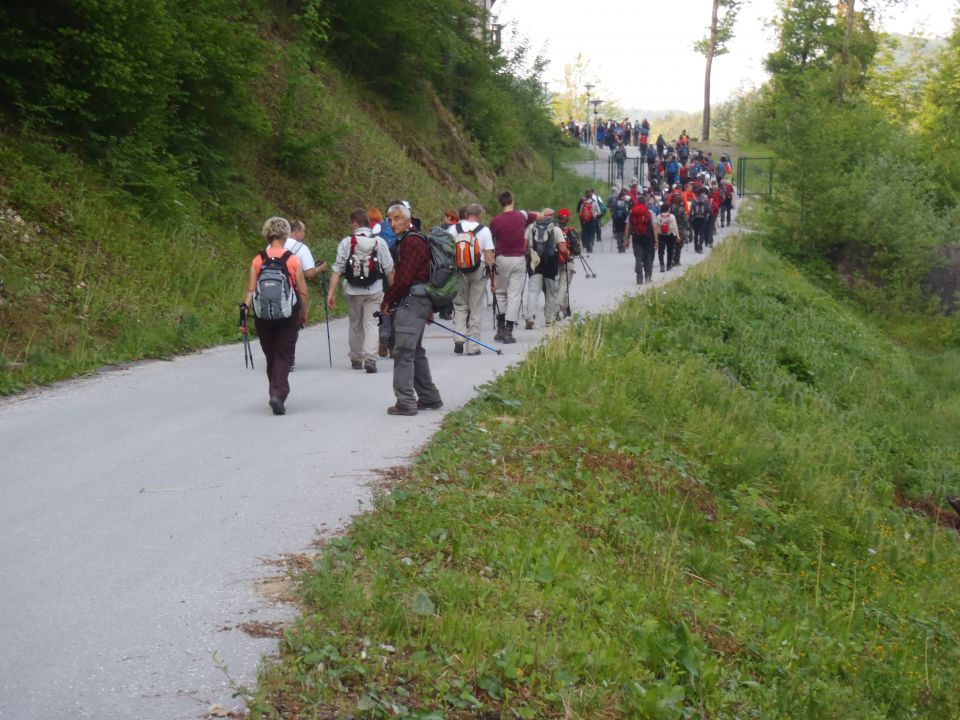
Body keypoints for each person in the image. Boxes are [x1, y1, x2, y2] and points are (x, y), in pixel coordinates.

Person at [380, 203, 443, 416]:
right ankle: (429, 397)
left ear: (408, 221)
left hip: (412, 302)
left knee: (404, 351)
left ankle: (405, 402)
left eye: (397, 218)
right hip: (420, 301)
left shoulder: (411, 242)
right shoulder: (416, 240)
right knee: (414, 350)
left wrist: (387, 300)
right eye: (390, 219)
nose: (393, 223)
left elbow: (404, 278)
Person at [244, 216, 309, 416]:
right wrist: (303, 313)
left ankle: (275, 390)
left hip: (262, 315)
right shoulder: (292, 260)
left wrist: (244, 312)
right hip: (287, 315)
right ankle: (278, 394)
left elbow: (251, 290)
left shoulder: (258, 260)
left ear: (268, 233)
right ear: (285, 234)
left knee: (271, 353)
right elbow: (303, 291)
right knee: (284, 354)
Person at [327, 209, 395, 373]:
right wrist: (393, 292)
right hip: (375, 290)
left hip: (352, 290)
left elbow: (338, 269)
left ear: (356, 223)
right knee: (371, 324)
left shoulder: (347, 242)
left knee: (355, 324)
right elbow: (389, 270)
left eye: (351, 223)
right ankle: (370, 358)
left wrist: (331, 293)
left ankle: (356, 358)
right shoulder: (379, 242)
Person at [490, 190, 539, 344]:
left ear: (500, 203)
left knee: (500, 294)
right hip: (518, 259)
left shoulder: (495, 221)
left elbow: (491, 243)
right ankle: (509, 331)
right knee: (514, 295)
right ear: (512, 200)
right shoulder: (522, 215)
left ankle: (499, 328)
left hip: (501, 259)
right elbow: (540, 215)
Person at [449, 203, 495, 355]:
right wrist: (493, 278)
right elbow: (489, 257)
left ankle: (459, 338)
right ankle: (473, 346)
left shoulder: (454, 229)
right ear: (479, 215)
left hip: (458, 270)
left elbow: (448, 251)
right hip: (478, 270)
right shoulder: (484, 231)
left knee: (460, 305)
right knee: (476, 308)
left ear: (465, 214)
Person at [523, 208, 567, 329]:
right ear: (552, 216)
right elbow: (562, 249)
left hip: (534, 261)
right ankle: (549, 319)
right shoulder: (556, 229)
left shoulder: (531, 227)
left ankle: (530, 317)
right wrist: (566, 256)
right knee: (551, 292)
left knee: (533, 291)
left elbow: (524, 245)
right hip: (551, 263)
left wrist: (527, 258)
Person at [629, 195, 656, 285]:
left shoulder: (632, 212)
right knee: (647, 256)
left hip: (636, 237)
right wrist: (656, 240)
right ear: (645, 202)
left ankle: (639, 277)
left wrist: (626, 239)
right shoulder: (649, 212)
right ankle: (648, 276)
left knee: (638, 257)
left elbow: (628, 226)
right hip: (647, 238)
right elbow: (654, 227)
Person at [576, 189, 601, 254]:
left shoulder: (583, 204)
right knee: (592, 233)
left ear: (586, 196)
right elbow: (599, 212)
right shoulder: (594, 203)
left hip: (585, 220)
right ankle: (590, 242)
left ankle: (587, 245)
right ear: (591, 196)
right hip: (593, 219)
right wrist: (597, 216)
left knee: (586, 233)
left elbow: (580, 213)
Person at [657, 204, 679, 272]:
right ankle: (669, 265)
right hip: (670, 235)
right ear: (668, 209)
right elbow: (675, 226)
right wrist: (677, 236)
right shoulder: (671, 216)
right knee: (670, 251)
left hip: (661, 236)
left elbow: (657, 226)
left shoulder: (659, 216)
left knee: (661, 251)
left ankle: (662, 265)